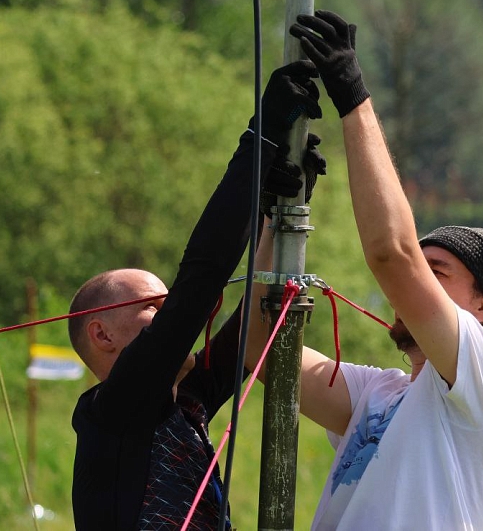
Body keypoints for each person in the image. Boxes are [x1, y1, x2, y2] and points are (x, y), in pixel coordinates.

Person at [248, 10, 483, 530]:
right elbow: (258, 349)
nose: (414, 286)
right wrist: (277, 218)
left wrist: (352, 96)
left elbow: (392, 256)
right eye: (422, 270)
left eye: (437, 273)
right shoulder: (378, 394)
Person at [67, 60, 324, 530]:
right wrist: (261, 138)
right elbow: (202, 280)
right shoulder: (117, 410)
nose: (169, 316)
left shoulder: (186, 401)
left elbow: (254, 320)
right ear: (101, 334)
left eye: (167, 304)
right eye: (152, 307)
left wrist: (279, 214)